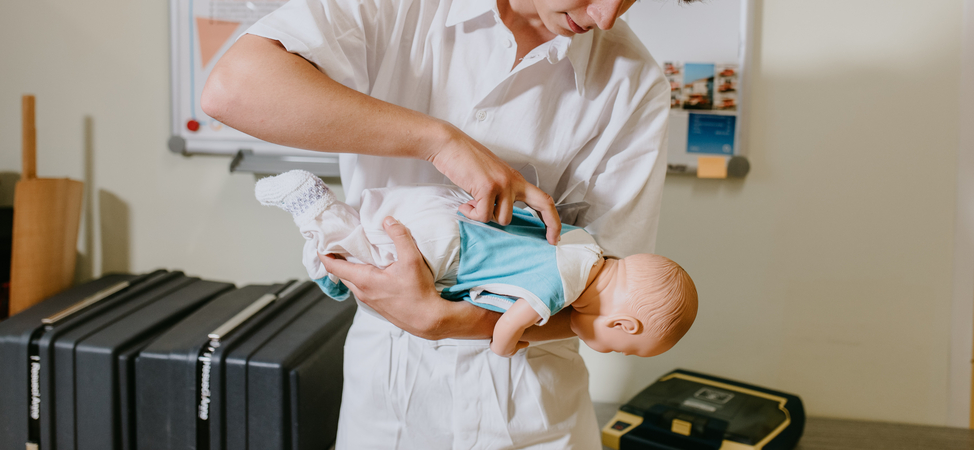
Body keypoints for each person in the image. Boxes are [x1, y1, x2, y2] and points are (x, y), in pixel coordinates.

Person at [202, 0, 721, 450]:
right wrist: (437, 139)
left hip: (533, 419)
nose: (607, 17)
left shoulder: (634, 83)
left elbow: (607, 301)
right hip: (388, 404)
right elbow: (232, 90)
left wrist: (449, 322)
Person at [255, 170, 698, 358]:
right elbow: (506, 327)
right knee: (363, 266)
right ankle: (314, 209)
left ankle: (325, 236)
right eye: (616, 350)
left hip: (447, 212)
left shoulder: (586, 245)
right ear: (624, 326)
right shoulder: (560, 288)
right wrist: (509, 345)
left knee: (368, 241)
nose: (602, 350)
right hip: (447, 250)